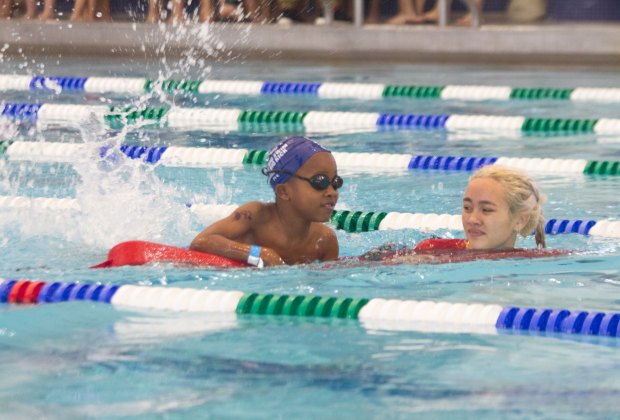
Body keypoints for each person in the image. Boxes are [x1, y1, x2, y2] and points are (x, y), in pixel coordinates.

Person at [190, 136, 341, 266]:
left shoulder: (324, 241)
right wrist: (261, 253)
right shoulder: (254, 216)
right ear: (284, 191)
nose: (332, 192)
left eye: (335, 182)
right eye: (319, 182)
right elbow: (202, 241)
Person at [361, 165, 556, 264]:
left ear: (520, 221)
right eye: (467, 207)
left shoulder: (535, 262)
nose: (472, 219)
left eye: (486, 210)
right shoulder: (430, 251)